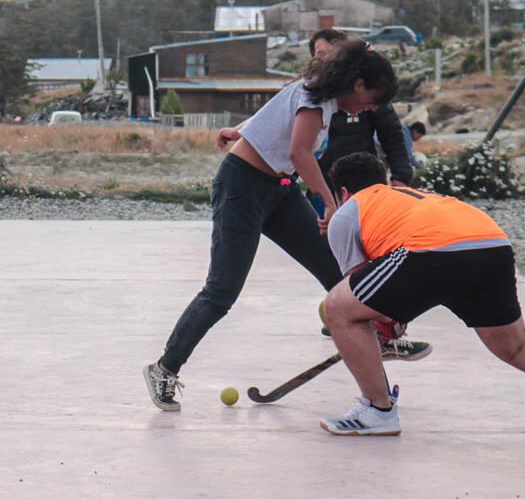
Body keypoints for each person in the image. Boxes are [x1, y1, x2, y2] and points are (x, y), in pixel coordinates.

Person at [145, 42, 424, 412]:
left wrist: (241, 129)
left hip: (280, 189)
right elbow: (299, 153)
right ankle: (164, 368)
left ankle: (380, 336)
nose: (371, 109)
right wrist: (328, 200)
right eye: (373, 99)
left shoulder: (317, 89)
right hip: (242, 188)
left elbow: (275, 111)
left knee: (336, 270)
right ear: (358, 85)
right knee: (222, 290)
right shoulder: (315, 97)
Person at [316, 152, 525, 438]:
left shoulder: (347, 214)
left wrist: (386, 326)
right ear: (381, 179)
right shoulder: (411, 197)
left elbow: (358, 297)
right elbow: (381, 293)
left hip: (431, 252)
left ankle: (378, 411)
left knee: (338, 309)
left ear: (343, 193)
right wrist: (390, 320)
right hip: (491, 244)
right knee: (517, 345)